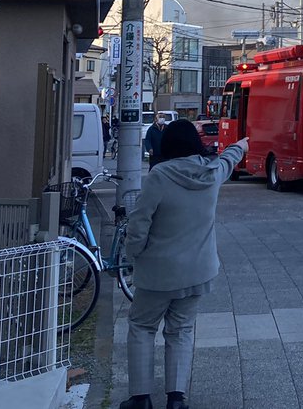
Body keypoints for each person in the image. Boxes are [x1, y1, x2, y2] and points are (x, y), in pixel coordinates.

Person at [120, 121, 248, 409]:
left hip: (157, 273)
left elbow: (139, 224)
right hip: (198, 272)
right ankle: (176, 399)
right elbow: (228, 159)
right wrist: (241, 146)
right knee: (180, 330)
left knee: (142, 326)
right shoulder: (212, 173)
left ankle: (140, 399)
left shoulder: (159, 176)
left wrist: (133, 255)